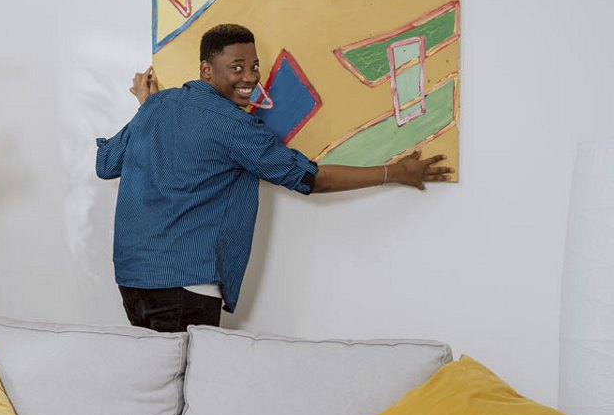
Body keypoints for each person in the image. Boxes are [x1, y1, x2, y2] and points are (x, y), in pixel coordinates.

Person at [96, 23, 451, 332]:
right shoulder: (233, 126)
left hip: (132, 280)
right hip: (185, 285)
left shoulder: (156, 106)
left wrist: (147, 108)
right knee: (187, 391)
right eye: (236, 67)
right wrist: (394, 172)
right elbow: (313, 179)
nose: (250, 77)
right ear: (206, 70)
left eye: (254, 66)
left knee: (157, 388)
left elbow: (107, 162)